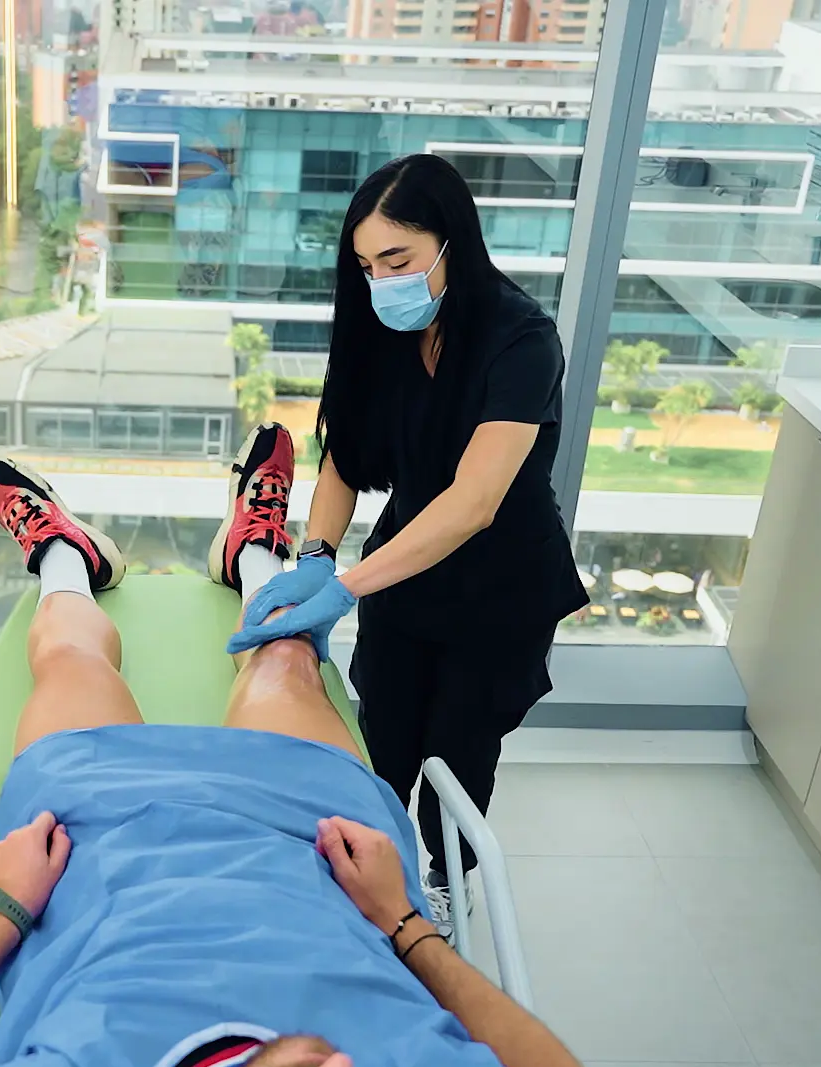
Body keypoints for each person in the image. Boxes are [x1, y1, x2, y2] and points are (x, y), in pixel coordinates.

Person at [0, 433, 589, 1067]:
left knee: (70, 662)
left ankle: (61, 555)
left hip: (87, 854)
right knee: (284, 658)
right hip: (322, 848)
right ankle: (256, 550)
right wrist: (406, 925)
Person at [226, 154, 590, 931]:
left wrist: (345, 588)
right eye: (365, 264)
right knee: (383, 739)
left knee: (457, 758)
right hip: (405, 577)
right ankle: (369, 872)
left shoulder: (519, 339)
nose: (381, 279)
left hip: (501, 587)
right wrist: (315, 560)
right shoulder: (381, 332)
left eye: (398, 259)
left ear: (452, 242)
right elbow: (343, 462)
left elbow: (473, 503)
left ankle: (444, 884)